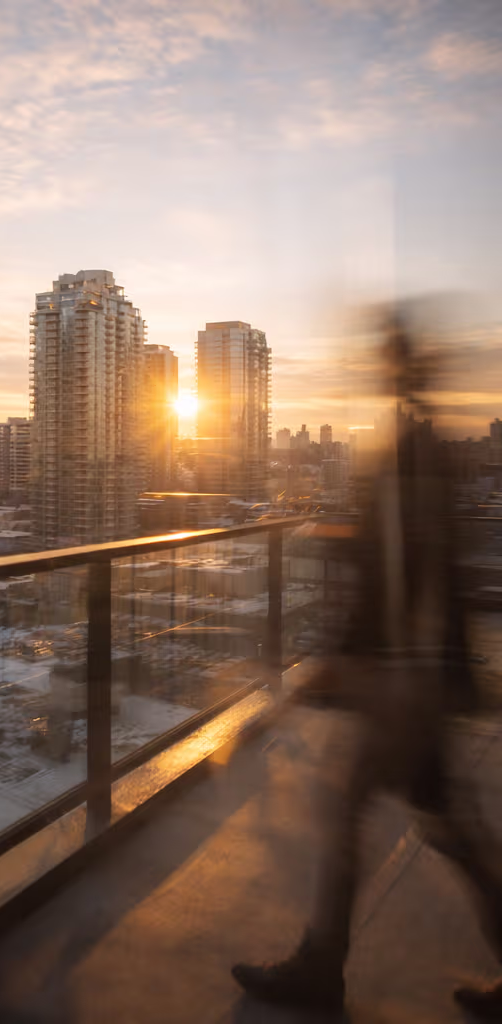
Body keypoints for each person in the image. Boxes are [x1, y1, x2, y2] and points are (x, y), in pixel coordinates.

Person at [233, 315, 502, 1016]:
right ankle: (322, 967)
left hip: (403, 684)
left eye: (383, 360)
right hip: (418, 679)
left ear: (398, 369)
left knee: (351, 813)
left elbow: (412, 573)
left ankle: (321, 972)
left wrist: (371, 662)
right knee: (454, 830)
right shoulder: (424, 443)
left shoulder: (414, 450)